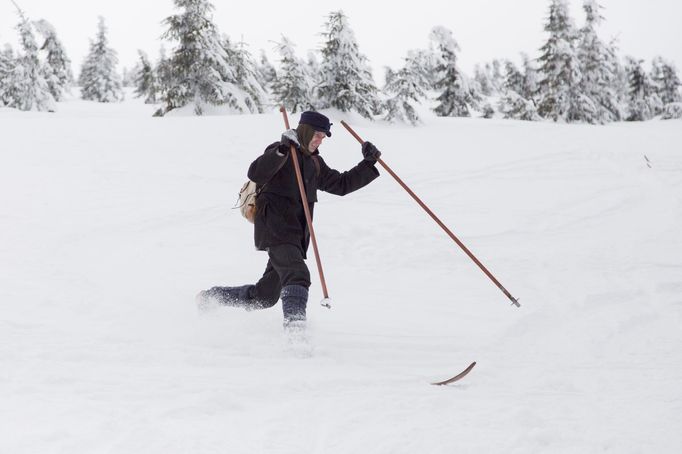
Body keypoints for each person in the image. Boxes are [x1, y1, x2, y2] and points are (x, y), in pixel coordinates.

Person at [196, 111, 382, 331]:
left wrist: (368, 164)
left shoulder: (315, 163)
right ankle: (295, 330)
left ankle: (213, 297)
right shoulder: (283, 151)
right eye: (317, 135)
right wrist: (281, 150)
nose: (320, 140)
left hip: (295, 237)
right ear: (305, 130)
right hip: (275, 230)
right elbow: (256, 173)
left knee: (264, 296)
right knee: (298, 274)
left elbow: (341, 185)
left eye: (323, 137)